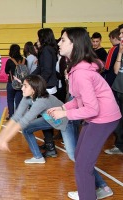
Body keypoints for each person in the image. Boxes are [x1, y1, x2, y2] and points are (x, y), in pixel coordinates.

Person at [48, 27, 121, 200]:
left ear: (75, 44)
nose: (59, 43)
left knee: (82, 164)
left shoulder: (80, 73)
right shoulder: (76, 68)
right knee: (79, 157)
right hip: (97, 117)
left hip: (103, 118)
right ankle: (88, 192)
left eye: (63, 40)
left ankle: (87, 195)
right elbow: (79, 99)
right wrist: (64, 108)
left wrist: (65, 115)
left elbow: (92, 109)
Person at [0, 75, 77, 164]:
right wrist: (1, 137)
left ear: (34, 89)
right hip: (50, 119)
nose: (22, 88)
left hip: (65, 122)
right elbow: (16, 117)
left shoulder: (42, 101)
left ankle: (91, 175)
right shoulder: (27, 96)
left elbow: (23, 121)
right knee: (26, 129)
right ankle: (38, 157)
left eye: (25, 86)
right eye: (23, 85)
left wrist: (5, 139)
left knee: (73, 156)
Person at [32, 28, 59, 158]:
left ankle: (50, 147)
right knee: (45, 117)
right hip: (47, 87)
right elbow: (40, 68)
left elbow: (47, 71)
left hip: (47, 88)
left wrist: (39, 85)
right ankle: (49, 143)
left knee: (46, 118)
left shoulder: (47, 50)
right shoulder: (46, 50)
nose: (37, 40)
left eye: (38, 37)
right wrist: (29, 78)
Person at [105, 24, 123, 155]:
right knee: (119, 119)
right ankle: (119, 145)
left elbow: (107, 67)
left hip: (117, 87)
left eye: (122, 33)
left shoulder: (113, 49)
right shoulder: (120, 50)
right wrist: (121, 53)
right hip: (118, 88)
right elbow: (116, 70)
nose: (120, 36)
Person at [4, 44, 24, 120]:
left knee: (10, 99)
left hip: (11, 82)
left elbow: (6, 71)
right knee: (19, 101)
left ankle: (11, 115)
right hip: (21, 83)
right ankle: (19, 116)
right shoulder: (24, 60)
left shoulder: (9, 61)